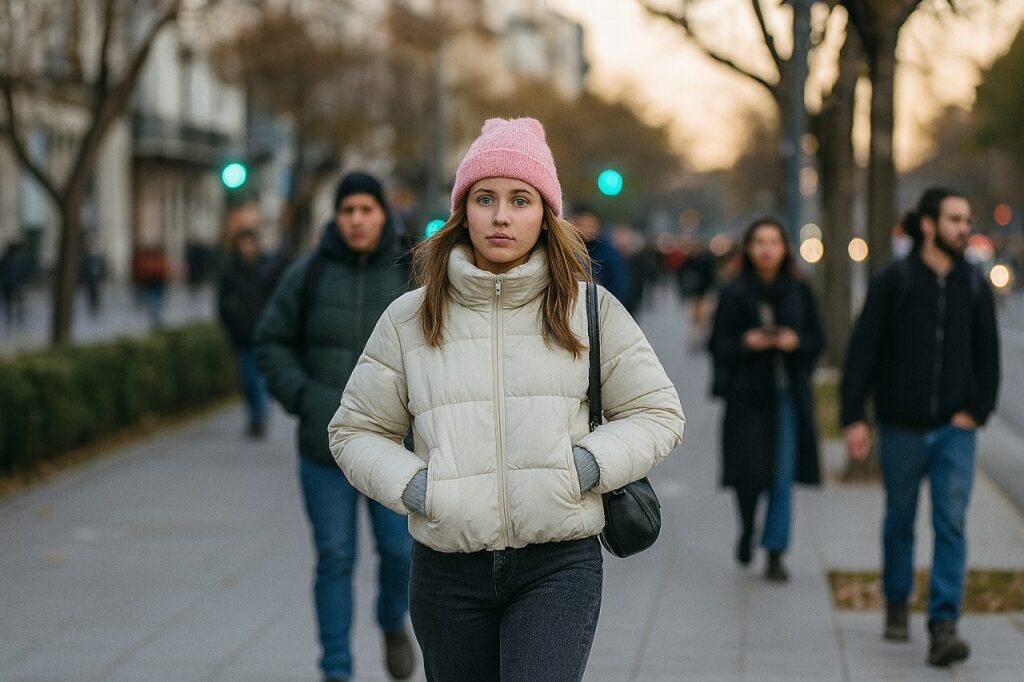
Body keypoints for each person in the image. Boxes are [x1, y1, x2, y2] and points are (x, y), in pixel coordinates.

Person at [327, 118, 685, 682]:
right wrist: (419, 487)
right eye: (484, 198)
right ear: (461, 210)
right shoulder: (409, 319)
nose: (500, 216)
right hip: (447, 571)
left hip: (558, 563)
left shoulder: (589, 309)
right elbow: (354, 430)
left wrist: (586, 465)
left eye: (520, 199)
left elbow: (657, 411)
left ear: (545, 213)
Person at [254, 171, 416, 682]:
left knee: (400, 549)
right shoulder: (309, 274)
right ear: (337, 217)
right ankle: (337, 670)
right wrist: (302, 396)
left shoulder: (411, 273)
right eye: (348, 211)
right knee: (334, 557)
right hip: (325, 449)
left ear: (383, 214)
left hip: (395, 448)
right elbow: (270, 340)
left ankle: (392, 619)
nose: (357, 220)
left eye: (367, 210)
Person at [840, 187, 1000, 667]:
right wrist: (854, 417)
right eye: (954, 218)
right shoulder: (895, 281)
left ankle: (943, 623)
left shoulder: (974, 284)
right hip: (901, 426)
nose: (963, 227)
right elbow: (863, 349)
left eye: (966, 219)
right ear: (929, 224)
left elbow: (987, 356)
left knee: (951, 523)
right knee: (900, 520)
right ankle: (895, 600)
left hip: (956, 429)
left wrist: (977, 410)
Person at [707, 217, 824, 582]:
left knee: (781, 474)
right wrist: (747, 342)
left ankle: (775, 550)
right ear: (748, 247)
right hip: (746, 397)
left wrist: (794, 343)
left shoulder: (799, 291)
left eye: (773, 241)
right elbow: (716, 345)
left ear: (785, 247)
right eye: (759, 241)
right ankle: (747, 529)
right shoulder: (734, 291)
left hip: (787, 395)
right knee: (747, 473)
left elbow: (818, 341)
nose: (766, 249)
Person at [217, 228, 279, 438]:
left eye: (250, 242)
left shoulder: (267, 268)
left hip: (263, 334)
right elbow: (222, 303)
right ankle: (254, 415)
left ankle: (259, 417)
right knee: (247, 380)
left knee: (260, 379)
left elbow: (278, 300)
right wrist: (230, 325)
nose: (247, 247)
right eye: (244, 243)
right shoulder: (231, 271)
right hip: (242, 335)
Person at [572, 204, 632, 308]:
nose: (586, 230)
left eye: (590, 225)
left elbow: (619, 285)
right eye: (581, 225)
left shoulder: (609, 253)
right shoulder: (566, 250)